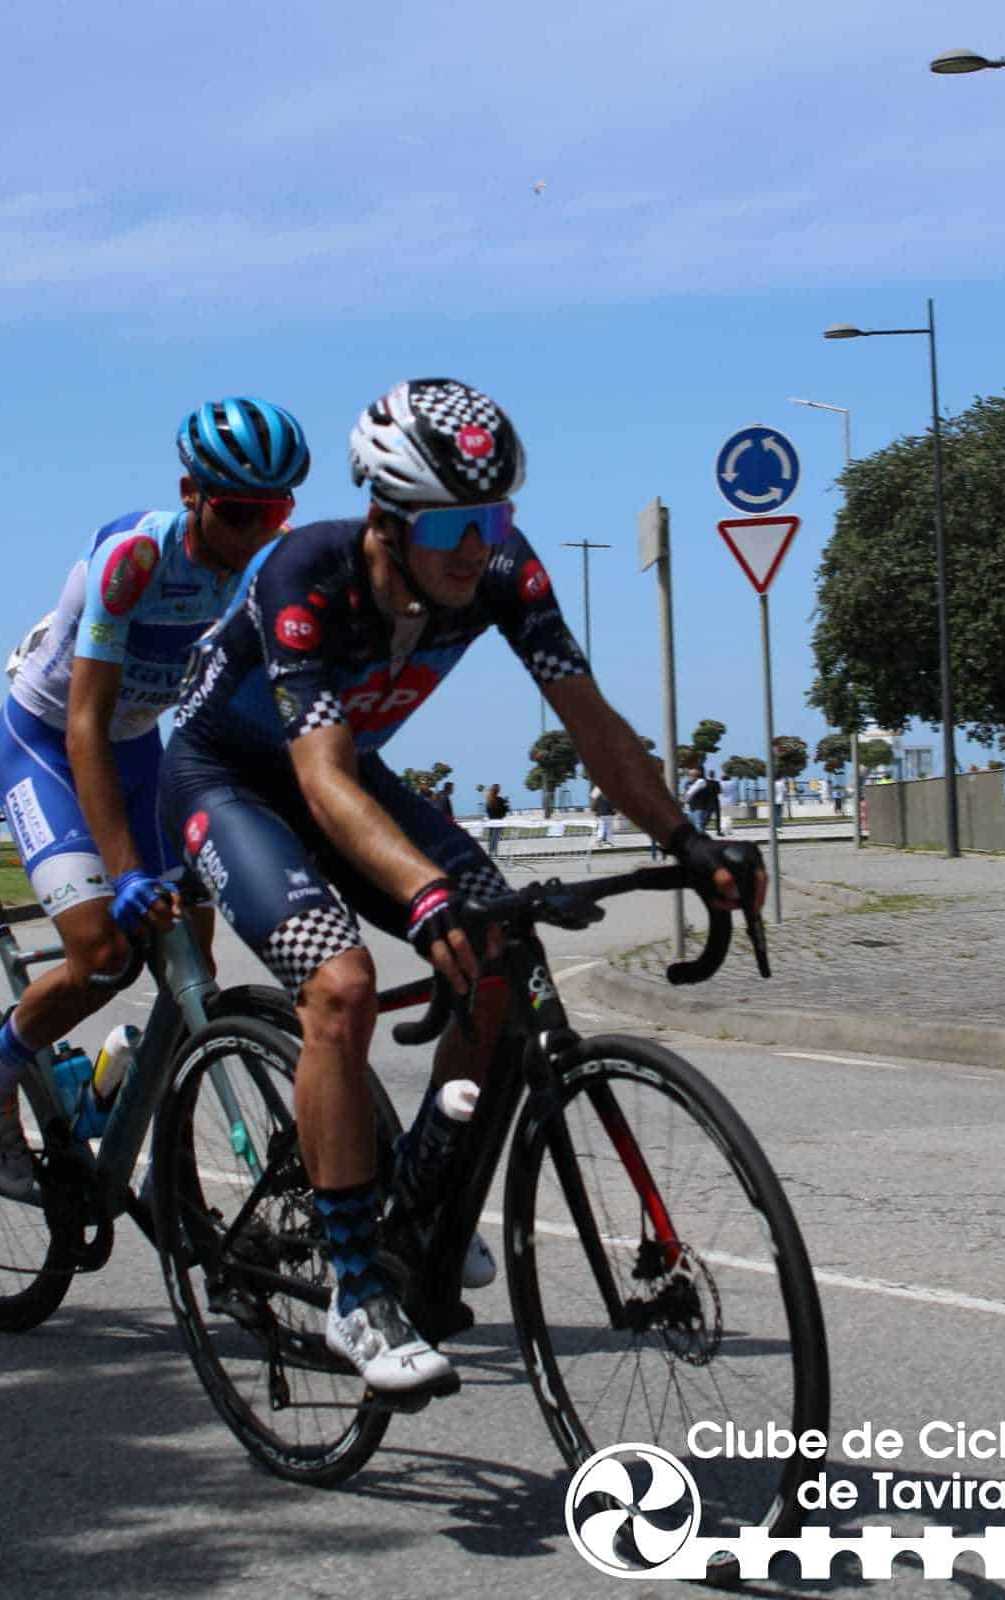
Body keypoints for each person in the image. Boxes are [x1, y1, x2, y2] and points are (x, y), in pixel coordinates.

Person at [159, 377, 763, 1394]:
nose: (480, 544)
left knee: (496, 950)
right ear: (388, 523)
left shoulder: (503, 573)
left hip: (348, 776)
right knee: (342, 985)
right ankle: (356, 1288)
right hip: (232, 782)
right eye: (454, 524)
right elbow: (317, 779)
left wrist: (684, 835)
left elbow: (593, 723)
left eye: (497, 516)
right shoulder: (300, 576)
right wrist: (425, 893)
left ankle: (420, 1199)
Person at [0, 396, 311, 1198]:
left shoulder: (272, 561)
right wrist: (123, 874)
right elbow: (84, 725)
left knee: (191, 946)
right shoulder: (136, 559)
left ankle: (164, 1163)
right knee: (104, 955)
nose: (256, 532)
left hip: (137, 745)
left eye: (276, 510)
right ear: (191, 493)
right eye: (238, 512)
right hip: (48, 743)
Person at [683, 765, 713, 833]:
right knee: (693, 829)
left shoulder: (701, 781)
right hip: (691, 808)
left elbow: (690, 793)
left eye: (692, 774)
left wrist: (683, 802)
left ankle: (704, 842)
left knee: (699, 828)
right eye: (689, 774)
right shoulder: (689, 783)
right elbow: (687, 794)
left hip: (700, 809)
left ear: (699, 772)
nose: (690, 775)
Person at [482, 782, 509, 858]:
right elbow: (505, 810)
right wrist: (506, 804)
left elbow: (487, 811)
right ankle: (495, 853)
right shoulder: (500, 800)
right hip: (499, 821)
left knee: (491, 838)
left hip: (491, 822)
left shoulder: (489, 800)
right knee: (496, 838)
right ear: (498, 790)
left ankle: (490, 853)